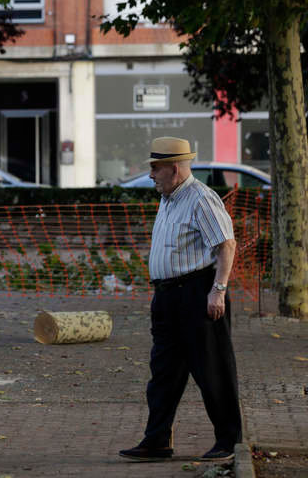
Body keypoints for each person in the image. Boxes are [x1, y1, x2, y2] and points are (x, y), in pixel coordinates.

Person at [119, 136, 242, 462]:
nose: (151, 175)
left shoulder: (201, 199)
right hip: (168, 297)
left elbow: (226, 245)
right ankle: (157, 439)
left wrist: (218, 291)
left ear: (174, 168)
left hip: (196, 294)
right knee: (163, 372)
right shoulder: (169, 198)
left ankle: (229, 441)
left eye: (156, 169)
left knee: (212, 370)